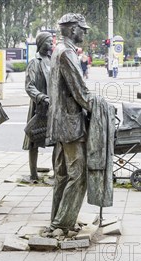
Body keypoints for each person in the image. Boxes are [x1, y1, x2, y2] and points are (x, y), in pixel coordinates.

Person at [46, 13, 115, 235]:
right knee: (79, 175)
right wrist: (103, 106)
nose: (84, 33)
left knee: (63, 175)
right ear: (71, 29)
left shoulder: (59, 51)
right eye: (81, 29)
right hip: (70, 124)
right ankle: (62, 223)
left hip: (61, 122)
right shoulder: (66, 53)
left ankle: (58, 220)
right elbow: (81, 93)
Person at [24, 31, 52, 182]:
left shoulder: (52, 60)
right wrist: (41, 97)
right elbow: (29, 86)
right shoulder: (35, 63)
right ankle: (33, 173)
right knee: (33, 141)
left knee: (56, 140)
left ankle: (57, 172)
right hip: (38, 106)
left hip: (53, 107)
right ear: (41, 43)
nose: (51, 43)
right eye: (48, 41)